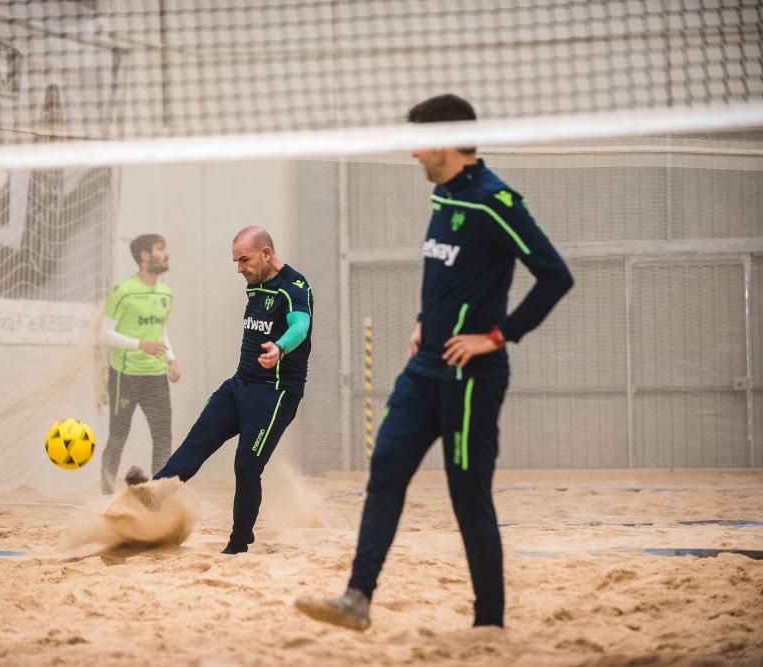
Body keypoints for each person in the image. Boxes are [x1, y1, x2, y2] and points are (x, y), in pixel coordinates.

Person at [295, 94, 573, 630]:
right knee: (385, 472)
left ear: (445, 141)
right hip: (423, 369)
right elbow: (451, 274)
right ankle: (358, 597)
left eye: (418, 140)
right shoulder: (445, 197)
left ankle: (488, 623)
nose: (411, 153)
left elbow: (555, 276)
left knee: (468, 498)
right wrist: (427, 319)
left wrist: (499, 335)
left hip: (471, 379)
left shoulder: (497, 202)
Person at [126, 226, 313, 555]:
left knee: (246, 465)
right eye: (236, 261)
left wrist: (280, 348)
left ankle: (239, 543)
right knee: (198, 441)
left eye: (244, 260)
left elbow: (300, 325)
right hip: (241, 383)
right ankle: (150, 496)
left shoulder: (294, 286)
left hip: (276, 391)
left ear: (266, 254)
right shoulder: (255, 283)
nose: (239, 268)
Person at [98, 234, 181, 494]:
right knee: (118, 435)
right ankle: (107, 495)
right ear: (144, 255)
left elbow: (160, 332)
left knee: (163, 436)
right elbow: (104, 333)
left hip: (156, 376)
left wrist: (171, 359)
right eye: (160, 249)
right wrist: (139, 345)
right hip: (125, 375)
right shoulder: (123, 291)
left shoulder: (165, 291)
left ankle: (158, 496)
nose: (166, 254)